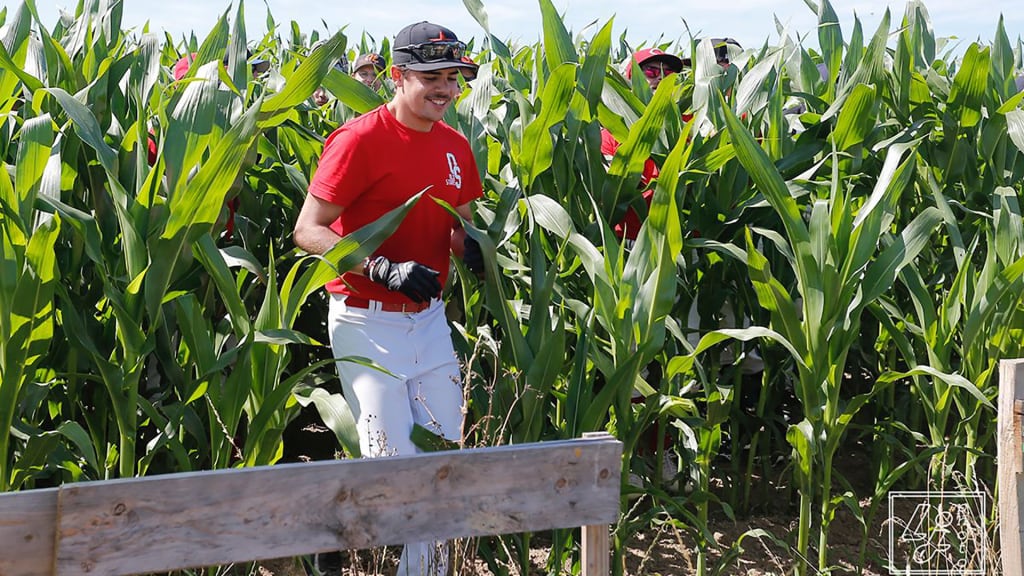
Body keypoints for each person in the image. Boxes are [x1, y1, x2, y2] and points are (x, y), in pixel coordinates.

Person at [292, 20, 482, 576]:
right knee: (392, 467)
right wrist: (381, 267)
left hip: (429, 322)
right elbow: (308, 229)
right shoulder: (358, 140)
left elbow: (460, 224)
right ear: (398, 76)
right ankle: (325, 539)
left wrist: (471, 249)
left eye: (453, 76)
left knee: (445, 464)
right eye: (431, 76)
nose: (445, 88)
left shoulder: (456, 146)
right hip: (365, 321)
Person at [602, 47, 683, 242]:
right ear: (632, 80)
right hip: (631, 238)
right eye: (651, 72)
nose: (661, 78)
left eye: (668, 73)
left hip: (680, 240)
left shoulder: (689, 123)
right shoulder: (613, 131)